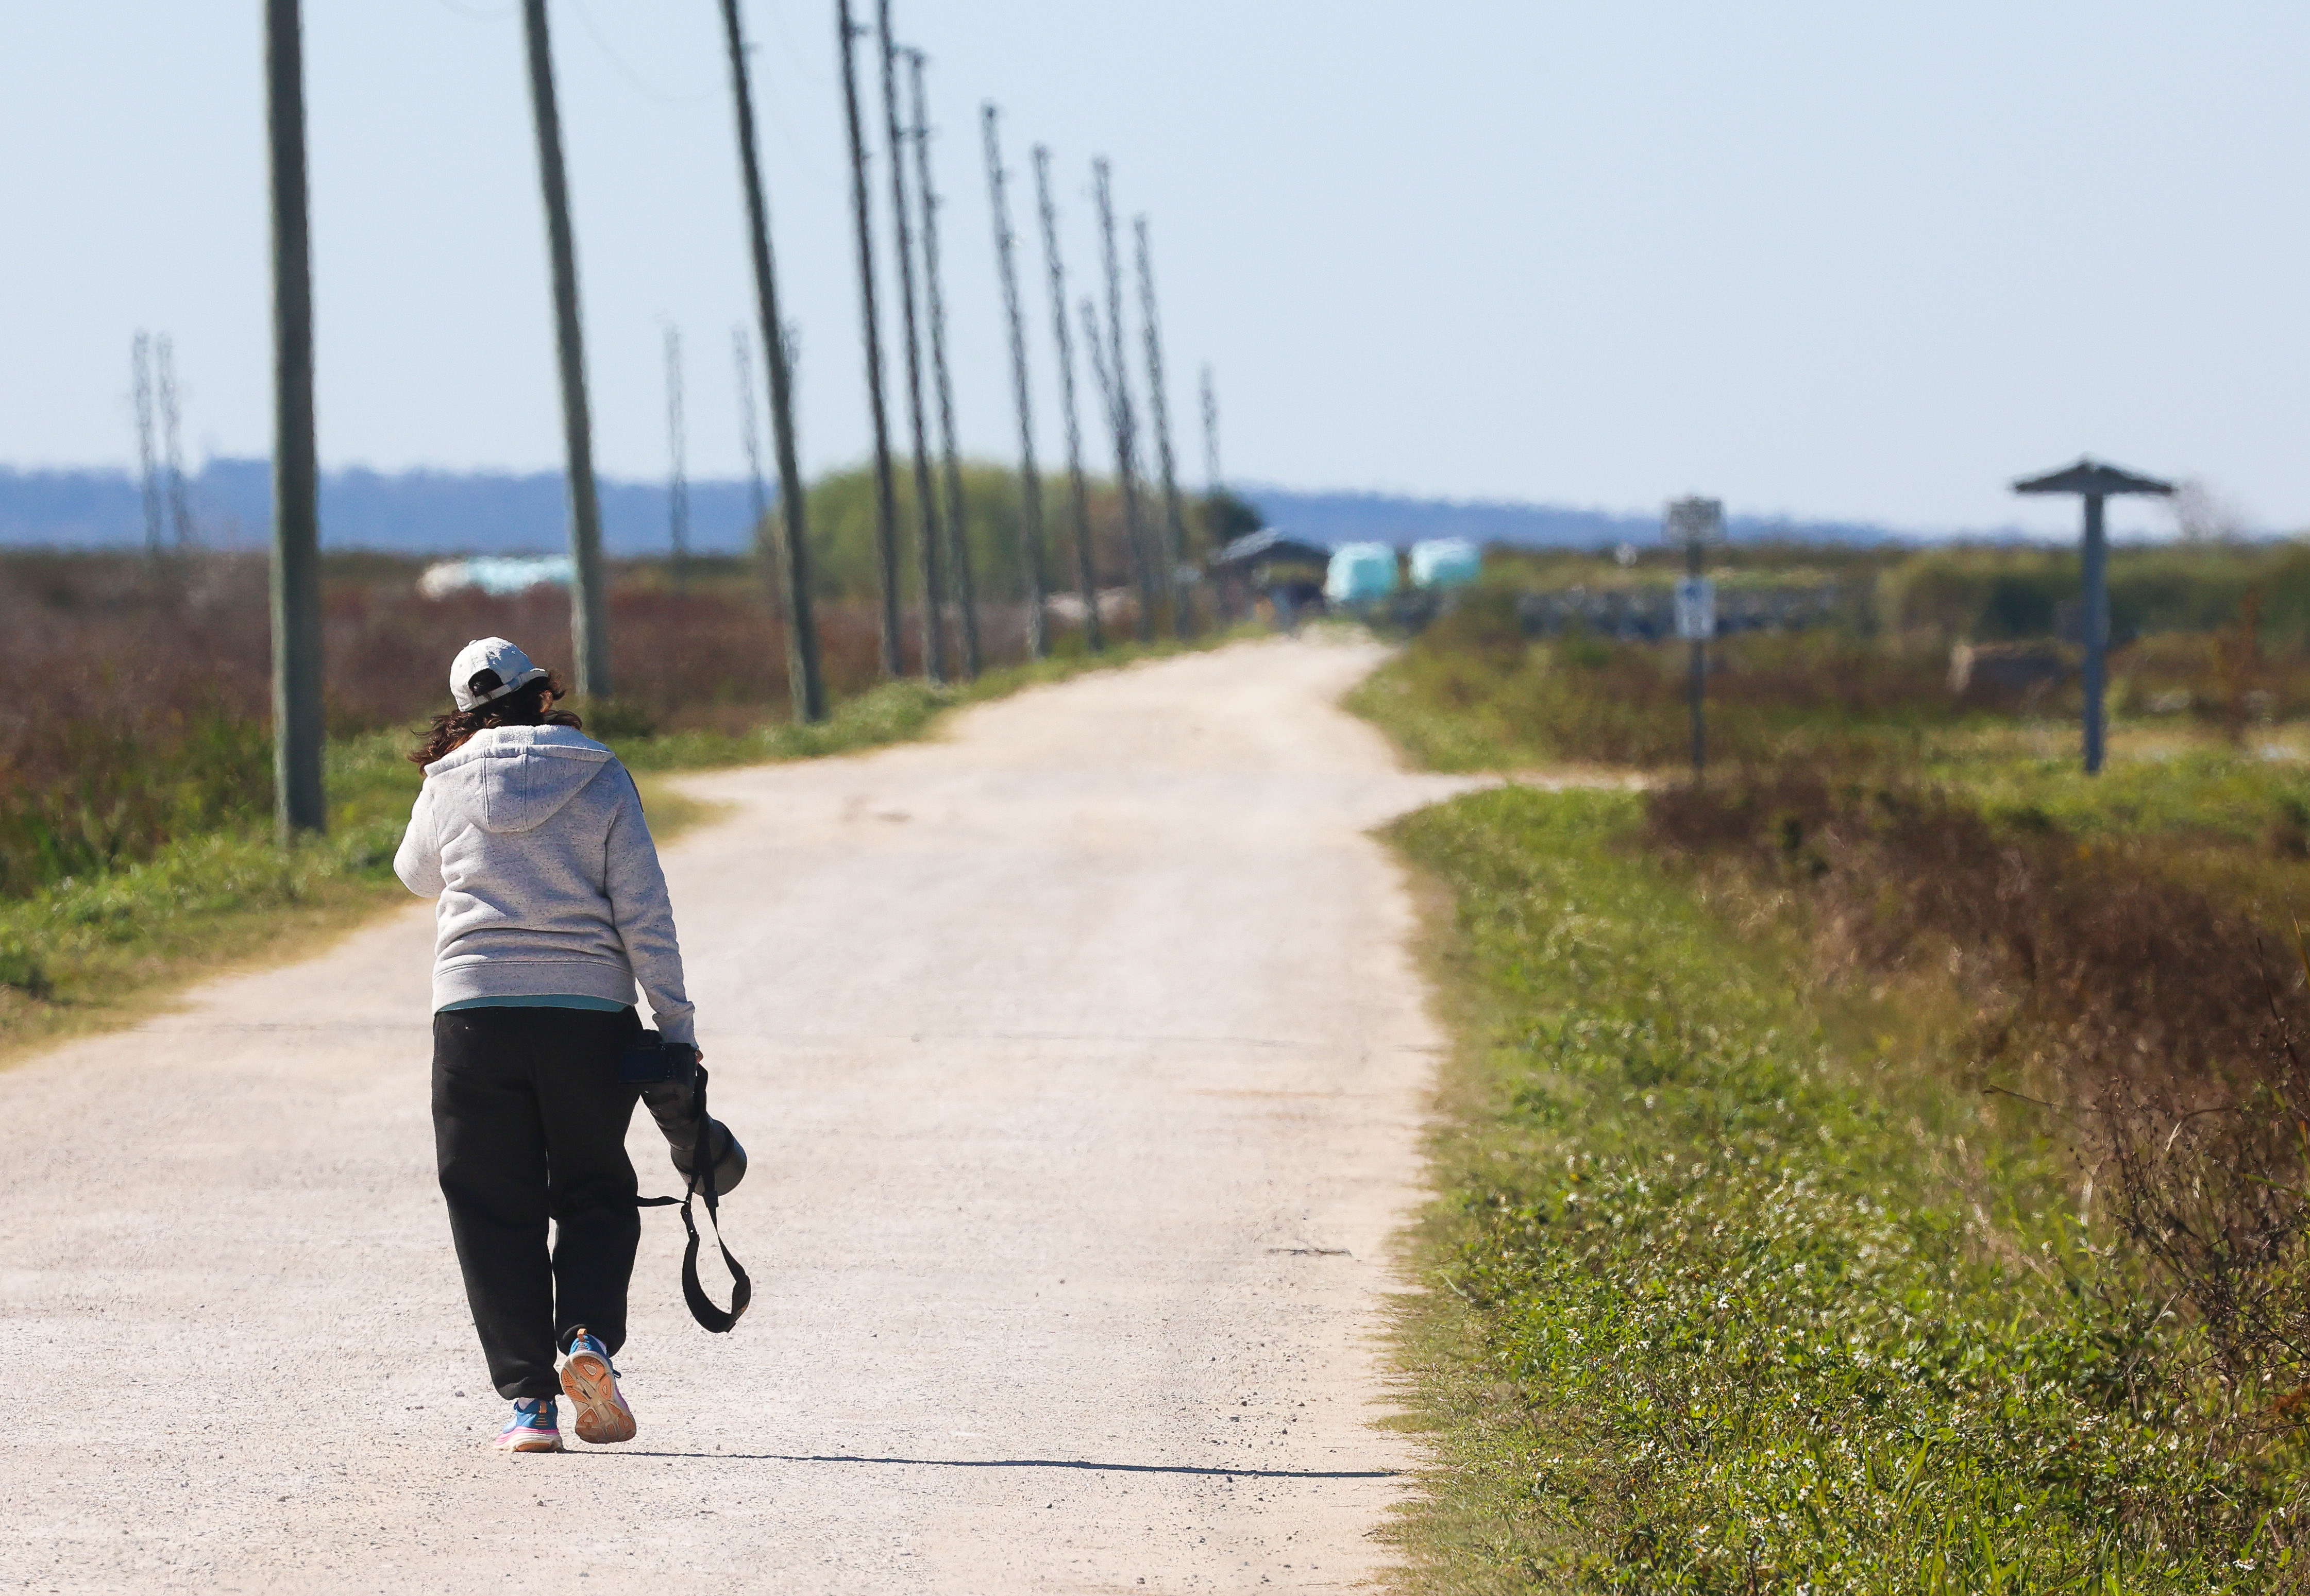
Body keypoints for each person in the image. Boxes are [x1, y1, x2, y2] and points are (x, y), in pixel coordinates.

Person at [394, 637, 700, 1454]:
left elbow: (414, 872)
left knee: (493, 1205)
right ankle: (588, 1340)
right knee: (595, 1188)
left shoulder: (446, 781)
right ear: (541, 694)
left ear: (464, 714)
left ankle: (529, 1406)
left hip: (474, 1016)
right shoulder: (599, 773)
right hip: (587, 1018)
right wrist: (676, 1029)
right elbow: (645, 909)